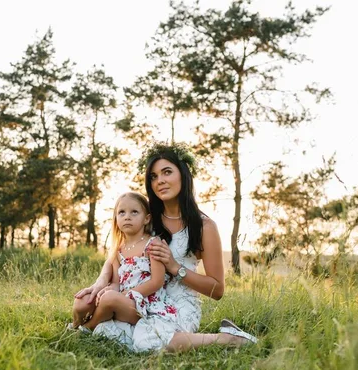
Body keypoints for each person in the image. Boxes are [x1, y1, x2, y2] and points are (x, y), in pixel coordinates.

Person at [73, 142, 257, 352]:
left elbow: (217, 290)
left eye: (167, 172)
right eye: (153, 176)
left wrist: (174, 266)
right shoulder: (144, 215)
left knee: (146, 343)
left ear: (183, 174)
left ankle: (229, 339)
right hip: (141, 299)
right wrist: (100, 283)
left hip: (177, 305)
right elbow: (118, 252)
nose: (160, 180)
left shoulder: (204, 226)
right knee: (109, 334)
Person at [76, 192, 176, 333]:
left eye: (134, 212)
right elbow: (117, 282)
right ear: (116, 218)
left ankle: (87, 327)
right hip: (122, 299)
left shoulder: (153, 244)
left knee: (110, 299)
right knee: (82, 302)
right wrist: (109, 290)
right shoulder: (118, 249)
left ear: (146, 219)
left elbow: (156, 282)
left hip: (145, 305)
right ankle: (75, 325)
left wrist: (124, 294)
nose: (127, 216)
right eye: (122, 212)